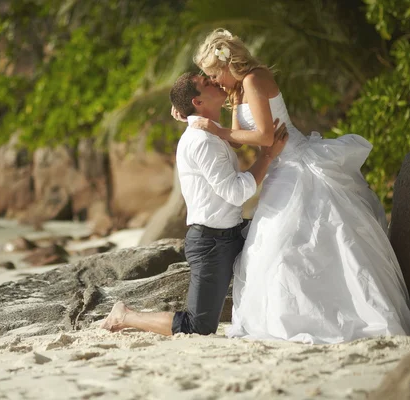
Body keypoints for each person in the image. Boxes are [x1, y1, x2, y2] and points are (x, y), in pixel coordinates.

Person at [182, 28, 410, 343]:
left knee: (310, 239)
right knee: (274, 246)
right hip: (277, 166)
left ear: (228, 64)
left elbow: (266, 136)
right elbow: (241, 143)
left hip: (296, 163)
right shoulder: (239, 89)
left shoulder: (254, 79)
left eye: (214, 73)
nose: (215, 81)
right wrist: (194, 120)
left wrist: (219, 131)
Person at [101, 72, 289, 336]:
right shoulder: (202, 141)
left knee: (287, 243)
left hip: (235, 232)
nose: (215, 81)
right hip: (212, 243)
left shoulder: (209, 133)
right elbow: (236, 193)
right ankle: (126, 316)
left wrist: (191, 113)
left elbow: (221, 132)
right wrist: (267, 156)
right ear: (198, 102)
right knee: (198, 327)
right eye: (207, 84)